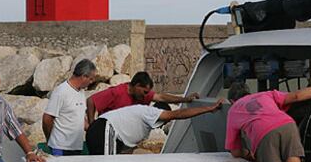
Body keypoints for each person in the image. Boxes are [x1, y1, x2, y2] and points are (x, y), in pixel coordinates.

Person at [86, 99, 224, 155]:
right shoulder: (150, 112)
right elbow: (179, 114)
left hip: (101, 131)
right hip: (104, 129)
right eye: (164, 119)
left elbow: (126, 149)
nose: (162, 125)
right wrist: (207, 108)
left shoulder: (143, 127)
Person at [86, 71, 200, 125]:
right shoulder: (116, 92)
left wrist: (185, 99)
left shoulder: (142, 95)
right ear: (136, 86)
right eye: (144, 92)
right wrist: (92, 124)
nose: (146, 96)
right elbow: (91, 101)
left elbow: (161, 97)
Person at [42, 59, 97, 156]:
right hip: (60, 148)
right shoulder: (61, 91)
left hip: (76, 147)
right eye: (91, 79)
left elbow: (79, 117)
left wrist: (94, 131)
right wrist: (50, 139)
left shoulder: (81, 92)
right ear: (84, 76)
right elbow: (47, 118)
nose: (92, 82)